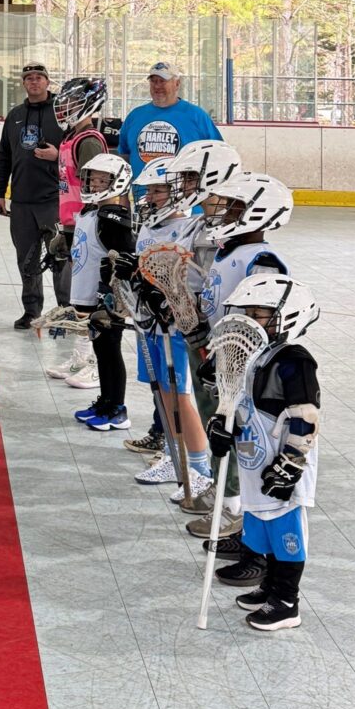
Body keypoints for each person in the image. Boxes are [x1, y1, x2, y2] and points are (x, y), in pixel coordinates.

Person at [182, 171, 294, 589]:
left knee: (252, 454)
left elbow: (260, 320)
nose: (221, 212)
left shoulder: (260, 259)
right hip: (224, 363)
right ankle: (247, 533)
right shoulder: (232, 250)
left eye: (233, 206)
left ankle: (259, 552)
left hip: (247, 374)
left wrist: (233, 360)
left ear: (257, 213)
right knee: (232, 443)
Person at [206, 274, 321, 631]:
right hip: (254, 462)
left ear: (289, 315)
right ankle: (269, 586)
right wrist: (224, 427)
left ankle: (287, 602)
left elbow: (305, 417)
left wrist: (290, 463)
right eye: (250, 311)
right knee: (260, 531)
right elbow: (239, 404)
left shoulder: (294, 360)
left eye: (261, 312)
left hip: (280, 466)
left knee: (287, 535)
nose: (252, 319)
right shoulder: (253, 355)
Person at [119, 157, 212, 499]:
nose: (152, 197)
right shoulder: (146, 226)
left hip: (177, 329)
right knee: (163, 394)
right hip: (150, 325)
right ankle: (177, 458)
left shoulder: (193, 228)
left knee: (182, 395)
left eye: (160, 189)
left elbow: (199, 284)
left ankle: (201, 468)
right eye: (149, 190)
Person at [44, 77, 109, 383]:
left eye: (72, 103)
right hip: (74, 224)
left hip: (88, 225)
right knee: (79, 299)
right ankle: (79, 359)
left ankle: (95, 362)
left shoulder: (89, 141)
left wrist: (85, 229)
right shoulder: (72, 137)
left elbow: (98, 188)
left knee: (90, 299)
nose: (66, 108)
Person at [0, 63, 66, 330]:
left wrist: (58, 155)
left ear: (47, 82)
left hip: (54, 201)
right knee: (27, 259)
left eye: (39, 78)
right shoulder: (15, 115)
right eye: (29, 78)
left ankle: (65, 311)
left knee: (60, 258)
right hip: (22, 202)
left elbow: (77, 151)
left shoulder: (62, 114)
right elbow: (4, 156)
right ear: (24, 84)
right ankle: (31, 310)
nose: (34, 82)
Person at [67, 153, 134, 431]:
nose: (94, 184)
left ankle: (116, 408)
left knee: (109, 350)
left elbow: (124, 259)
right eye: (92, 179)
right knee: (100, 348)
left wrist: (109, 297)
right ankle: (105, 400)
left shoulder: (114, 219)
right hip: (89, 295)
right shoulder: (91, 211)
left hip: (106, 299)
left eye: (101, 180)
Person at [117, 62, 223, 183]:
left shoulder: (197, 116)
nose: (157, 86)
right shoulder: (134, 116)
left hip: (185, 199)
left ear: (177, 84)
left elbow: (218, 154)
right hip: (142, 197)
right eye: (154, 81)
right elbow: (125, 157)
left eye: (162, 81)